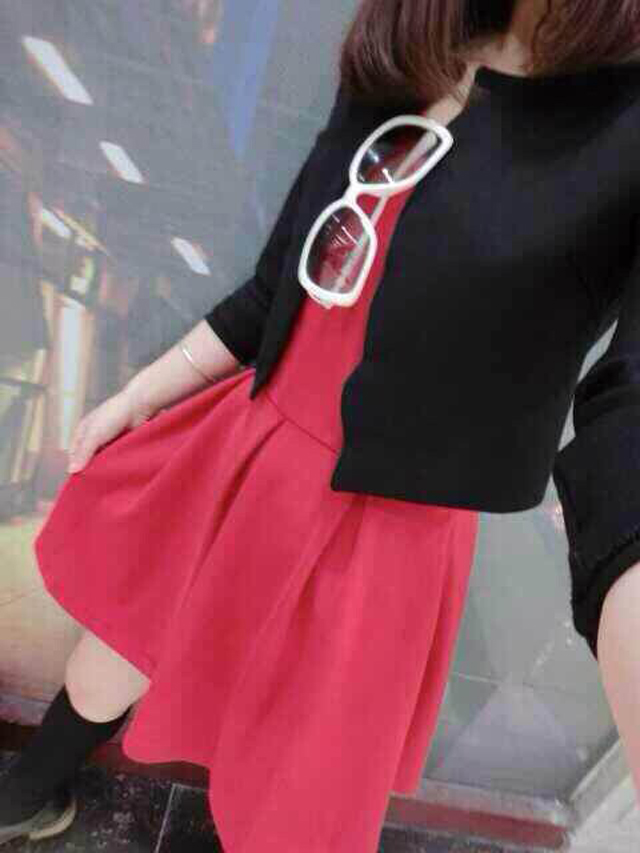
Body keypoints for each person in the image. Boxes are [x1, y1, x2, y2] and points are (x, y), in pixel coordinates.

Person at [3, 1, 640, 850]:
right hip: (253, 444)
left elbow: (630, 403)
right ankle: (30, 789)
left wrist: (624, 570)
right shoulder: (410, 42)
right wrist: (142, 392)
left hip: (389, 530)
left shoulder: (622, 122)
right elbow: (282, 281)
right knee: (115, 652)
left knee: (299, 788)